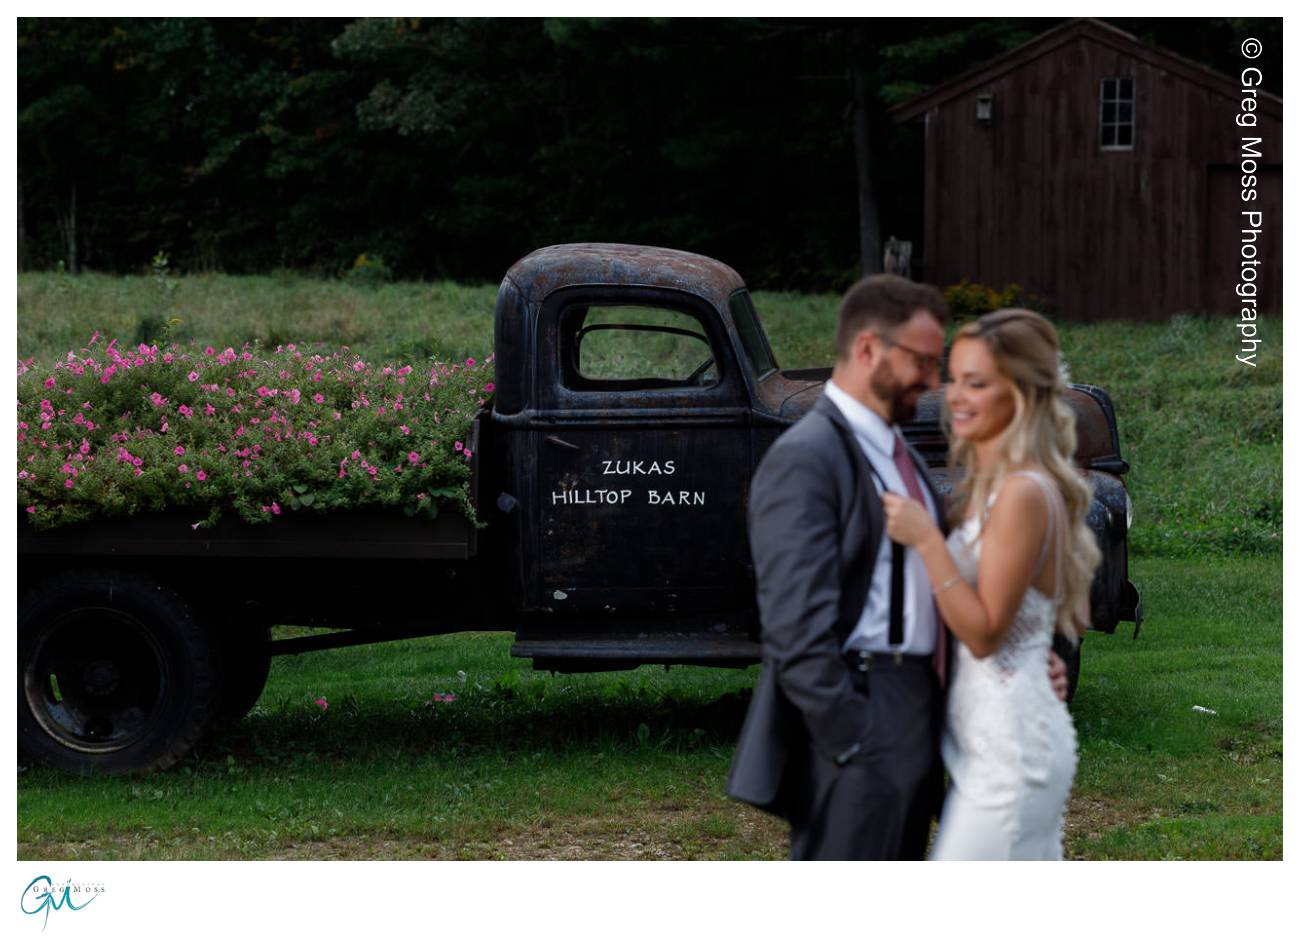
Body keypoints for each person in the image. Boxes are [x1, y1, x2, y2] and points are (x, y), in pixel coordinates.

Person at [727, 274, 952, 860]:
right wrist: (853, 738)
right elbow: (794, 626)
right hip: (863, 710)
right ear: (868, 349)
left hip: (915, 706)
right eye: (922, 361)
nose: (934, 381)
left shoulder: (897, 452)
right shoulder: (807, 457)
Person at [881, 307, 1099, 860]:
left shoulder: (1024, 493)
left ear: (1021, 395)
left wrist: (927, 540)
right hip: (990, 742)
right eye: (955, 378)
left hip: (1012, 752)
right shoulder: (992, 485)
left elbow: (984, 633)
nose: (955, 396)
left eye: (977, 383)